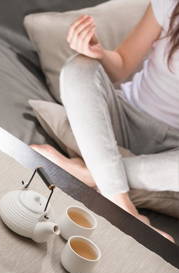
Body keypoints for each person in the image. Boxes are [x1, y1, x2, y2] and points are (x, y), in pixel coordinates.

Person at [32, 0, 179, 242]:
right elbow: (121, 64)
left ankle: (88, 173)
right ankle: (122, 205)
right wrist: (98, 53)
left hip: (171, 154)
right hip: (123, 118)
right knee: (78, 67)